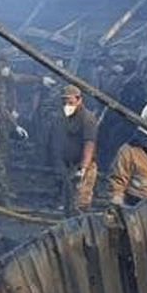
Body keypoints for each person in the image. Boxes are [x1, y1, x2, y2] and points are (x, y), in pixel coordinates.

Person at [55, 84, 99, 214]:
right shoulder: (64, 116)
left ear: (79, 100)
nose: (67, 105)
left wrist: (83, 168)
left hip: (84, 167)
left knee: (81, 204)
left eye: (70, 102)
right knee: (69, 203)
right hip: (69, 165)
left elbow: (89, 144)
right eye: (64, 102)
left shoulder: (88, 118)